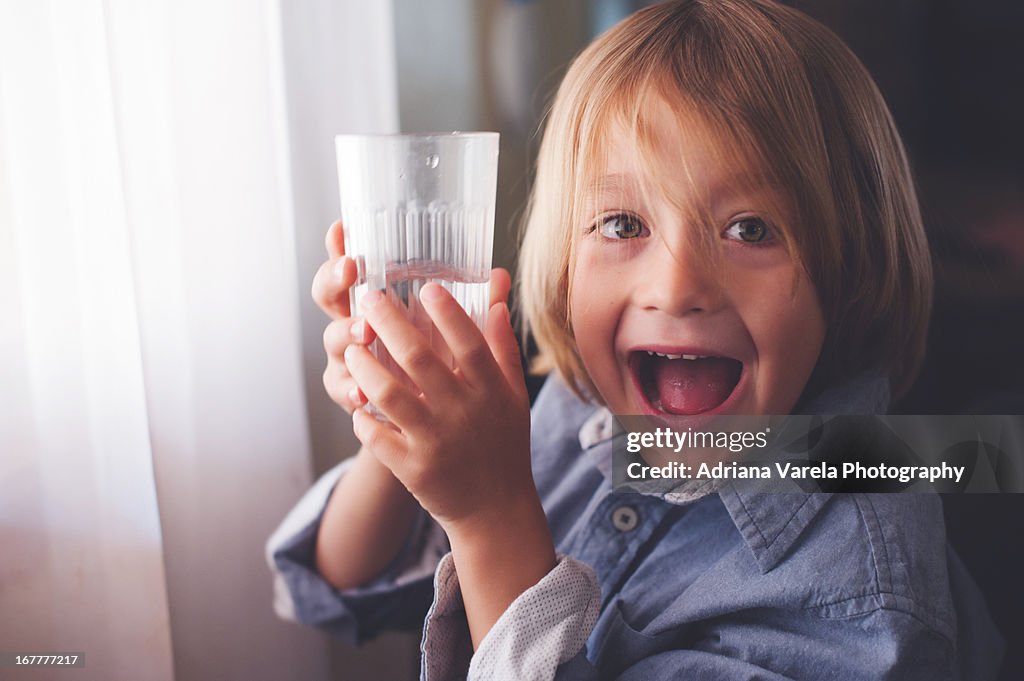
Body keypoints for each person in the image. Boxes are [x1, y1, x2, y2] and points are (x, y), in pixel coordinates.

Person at [267, 1, 1003, 678]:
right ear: (561, 266)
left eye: (750, 228)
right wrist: (398, 423)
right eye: (623, 224)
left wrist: (493, 520)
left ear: (852, 267)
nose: (677, 287)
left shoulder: (861, 585)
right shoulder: (571, 408)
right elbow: (340, 587)